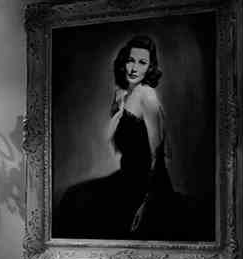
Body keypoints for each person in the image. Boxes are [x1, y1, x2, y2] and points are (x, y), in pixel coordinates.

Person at [55, 35, 188, 241]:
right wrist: (118, 104)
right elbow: (118, 142)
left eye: (142, 63)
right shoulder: (123, 96)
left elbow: (158, 154)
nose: (134, 68)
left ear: (149, 68)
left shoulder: (147, 96)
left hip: (146, 185)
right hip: (125, 179)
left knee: (80, 202)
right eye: (131, 60)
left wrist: (148, 202)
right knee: (73, 197)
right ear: (123, 62)